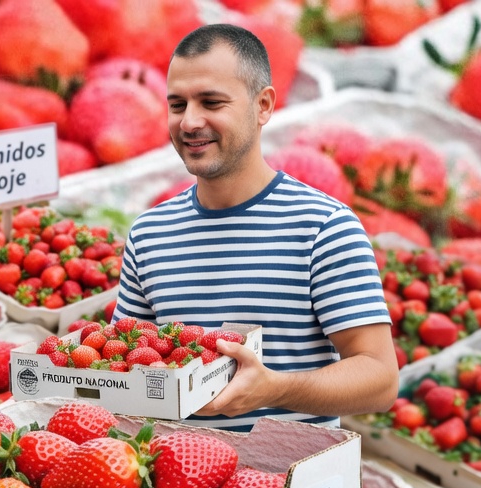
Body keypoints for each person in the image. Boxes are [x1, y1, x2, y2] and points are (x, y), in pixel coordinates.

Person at [114, 23, 398, 431]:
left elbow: (380, 379)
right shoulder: (149, 233)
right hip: (176, 480)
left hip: (294, 486)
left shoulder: (324, 228)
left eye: (211, 102)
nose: (190, 122)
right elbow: (125, 360)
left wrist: (274, 389)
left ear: (263, 106)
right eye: (177, 105)